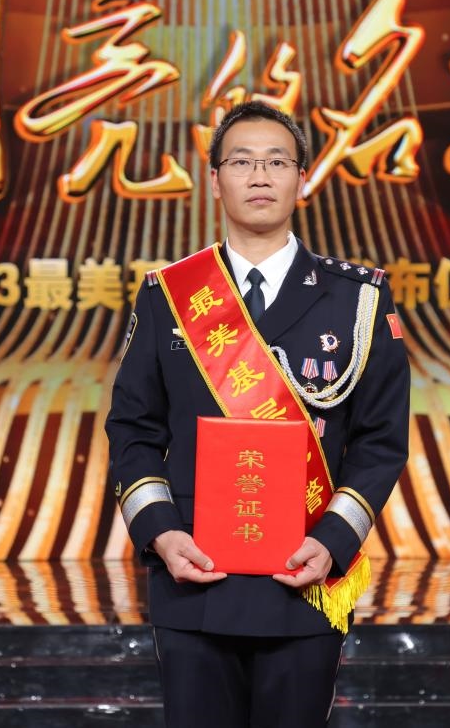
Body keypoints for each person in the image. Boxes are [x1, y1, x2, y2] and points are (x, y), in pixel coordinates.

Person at [105, 100, 410, 727]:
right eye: (242, 162)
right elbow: (132, 431)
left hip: (305, 573)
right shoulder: (170, 296)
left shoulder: (357, 298)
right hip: (194, 574)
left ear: (303, 179)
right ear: (215, 180)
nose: (260, 175)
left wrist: (333, 541)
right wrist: (162, 533)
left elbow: (380, 441)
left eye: (277, 161)